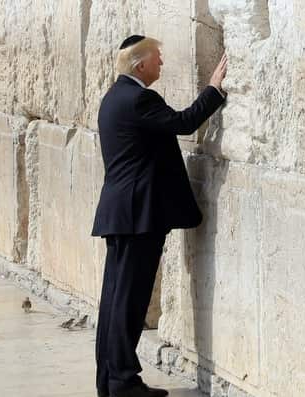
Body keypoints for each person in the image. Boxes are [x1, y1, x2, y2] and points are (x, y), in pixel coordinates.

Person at [91, 35, 228, 397]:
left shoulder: (113, 98)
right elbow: (183, 123)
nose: (162, 64)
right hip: (139, 216)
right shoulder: (139, 99)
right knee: (129, 301)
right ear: (140, 65)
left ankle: (110, 379)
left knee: (115, 299)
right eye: (157, 58)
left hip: (121, 213)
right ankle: (122, 382)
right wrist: (214, 89)